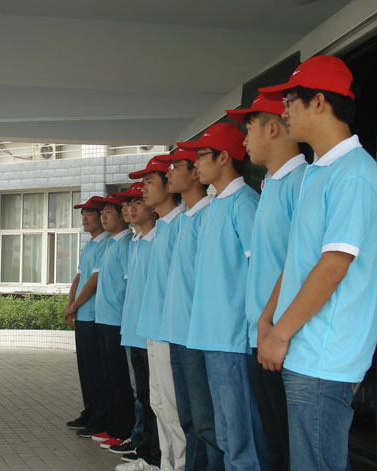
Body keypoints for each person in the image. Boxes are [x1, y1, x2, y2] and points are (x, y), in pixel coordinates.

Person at [257, 55, 377, 471]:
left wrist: (280, 333)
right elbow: (299, 259)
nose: (283, 112)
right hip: (304, 349)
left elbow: (333, 266)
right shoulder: (318, 173)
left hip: (326, 356)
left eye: (289, 101)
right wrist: (267, 319)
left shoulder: (354, 172)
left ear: (318, 102)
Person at [178, 123, 269, 470]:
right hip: (210, 336)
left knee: (241, 436)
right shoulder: (216, 205)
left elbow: (259, 272)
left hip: (232, 339)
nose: (196, 163)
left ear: (224, 157)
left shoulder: (244, 204)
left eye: (202, 155)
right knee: (226, 434)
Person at [226, 93, 307, 471]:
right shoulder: (271, 185)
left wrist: (274, 326)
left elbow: (300, 265)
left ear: (272, 128)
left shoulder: (301, 183)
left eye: (248, 129)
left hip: (284, 337)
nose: (244, 141)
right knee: (274, 443)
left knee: (292, 449)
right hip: (261, 334)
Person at [158, 148, 223, 471]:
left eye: (176, 167)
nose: (169, 173)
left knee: (205, 419)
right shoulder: (183, 218)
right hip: (176, 332)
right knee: (187, 417)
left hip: (196, 335)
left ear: (195, 174)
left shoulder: (208, 214)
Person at [133, 156, 187, 471]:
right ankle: (166, 463)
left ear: (169, 187)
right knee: (158, 403)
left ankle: (178, 465)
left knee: (173, 406)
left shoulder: (181, 223)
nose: (143, 190)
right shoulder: (163, 226)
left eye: (149, 182)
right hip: (153, 328)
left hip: (171, 329)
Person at [114, 187, 161, 470]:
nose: (131, 208)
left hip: (151, 333)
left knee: (157, 400)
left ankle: (153, 454)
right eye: (128, 203)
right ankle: (145, 448)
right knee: (142, 394)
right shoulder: (135, 242)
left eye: (138, 202)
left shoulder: (159, 238)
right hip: (132, 330)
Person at [93, 193, 135, 447]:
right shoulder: (110, 243)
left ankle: (123, 430)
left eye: (108, 212)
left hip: (118, 321)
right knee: (109, 377)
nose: (103, 217)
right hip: (104, 319)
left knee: (121, 380)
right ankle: (113, 426)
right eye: (102, 213)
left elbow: (129, 285)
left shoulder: (126, 243)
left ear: (122, 215)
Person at [66, 196, 110, 437]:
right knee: (85, 368)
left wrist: (75, 305)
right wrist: (70, 305)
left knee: (96, 370)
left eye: (89, 213)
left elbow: (93, 281)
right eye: (82, 214)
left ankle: (100, 417)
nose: (84, 218)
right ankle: (90, 410)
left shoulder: (107, 244)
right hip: (82, 314)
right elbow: (79, 277)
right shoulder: (89, 246)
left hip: (94, 315)